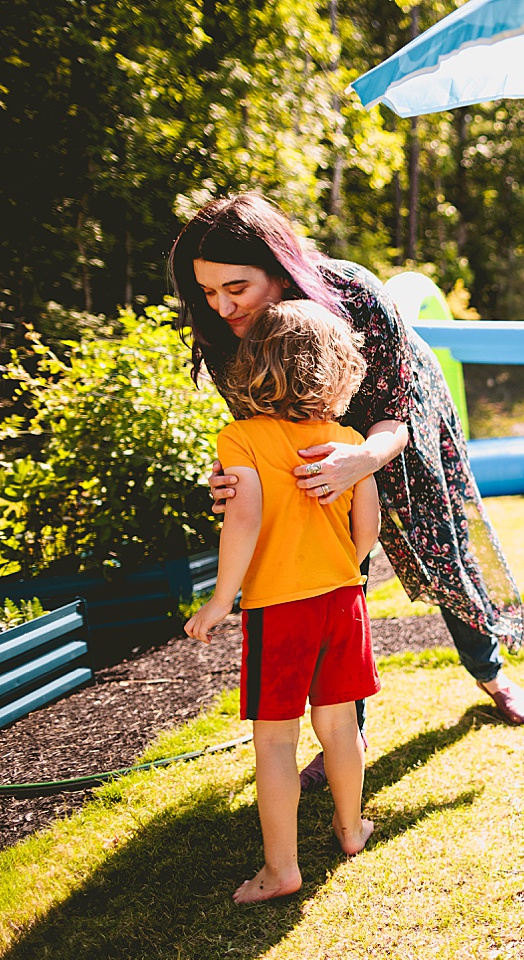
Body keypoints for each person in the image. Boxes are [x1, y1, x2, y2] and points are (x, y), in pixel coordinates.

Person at [169, 193, 524, 788]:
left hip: (398, 429)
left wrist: (359, 460)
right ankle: (347, 734)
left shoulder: (354, 296)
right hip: (318, 453)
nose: (222, 305)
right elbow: (261, 429)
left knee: (443, 550)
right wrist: (239, 481)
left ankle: (490, 674)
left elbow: (396, 414)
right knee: (335, 577)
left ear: (279, 268)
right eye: (208, 292)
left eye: (235, 287)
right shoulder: (224, 332)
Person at [184, 300, 380, 903]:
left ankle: (282, 869)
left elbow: (241, 519)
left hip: (280, 607)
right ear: (336, 371)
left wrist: (221, 599)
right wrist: (347, 566)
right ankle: (351, 831)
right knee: (339, 727)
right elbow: (368, 526)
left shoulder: (240, 437)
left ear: (254, 369)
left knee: (275, 741)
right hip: (344, 598)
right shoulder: (347, 441)